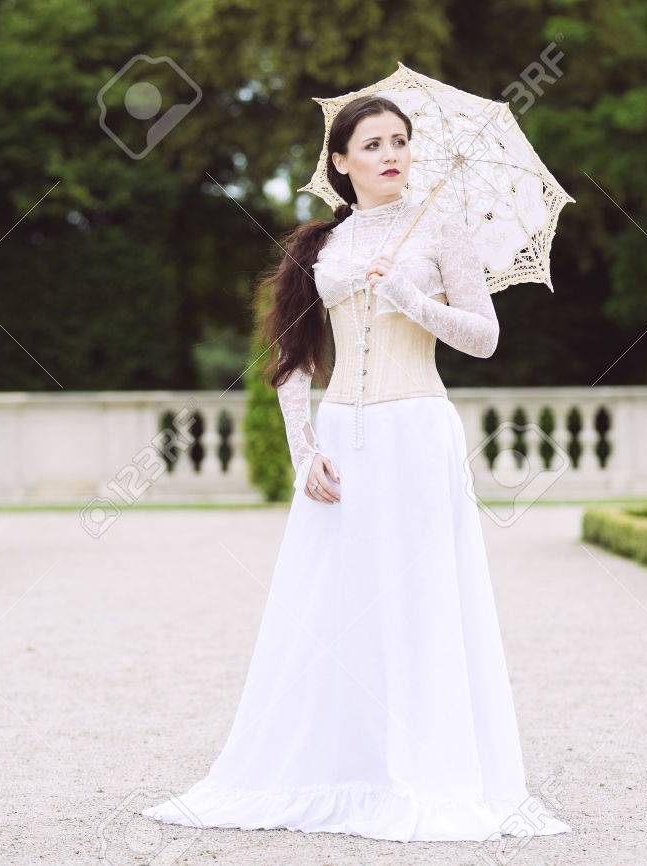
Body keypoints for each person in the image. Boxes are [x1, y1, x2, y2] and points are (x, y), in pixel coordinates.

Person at [141, 95, 571, 843]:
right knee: (334, 605)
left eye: (400, 141)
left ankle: (422, 769)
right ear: (340, 162)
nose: (391, 153)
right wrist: (305, 452)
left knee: (419, 599)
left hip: (417, 432)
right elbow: (294, 362)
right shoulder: (320, 246)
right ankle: (340, 765)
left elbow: (485, 338)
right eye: (372, 144)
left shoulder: (443, 230)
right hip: (343, 435)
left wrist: (410, 297)